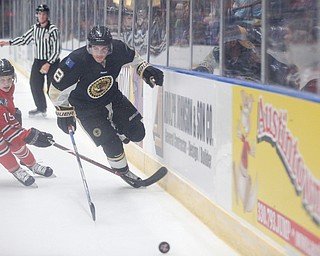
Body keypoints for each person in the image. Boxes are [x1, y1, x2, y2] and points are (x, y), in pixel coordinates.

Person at [49, 26, 163, 186]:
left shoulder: (118, 49)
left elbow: (133, 57)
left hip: (112, 99)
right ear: (89, 46)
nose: (99, 53)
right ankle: (125, 172)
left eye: (104, 49)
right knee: (112, 143)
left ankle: (116, 127)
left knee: (138, 133)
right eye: (95, 48)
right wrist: (63, 112)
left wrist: (144, 68)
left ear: (110, 47)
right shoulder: (75, 61)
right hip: (87, 109)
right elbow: (55, 89)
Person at [0, 58, 54, 187]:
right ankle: (16, 170)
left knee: (17, 142)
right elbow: (6, 128)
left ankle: (32, 164)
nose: (6, 83)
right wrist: (30, 136)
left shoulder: (8, 88)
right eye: (2, 80)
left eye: (9, 78)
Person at [0, 4, 61, 117]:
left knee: (52, 88)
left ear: (47, 15)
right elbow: (24, 39)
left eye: (44, 14)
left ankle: (61, 110)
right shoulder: (35, 28)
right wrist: (8, 43)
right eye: (40, 14)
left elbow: (57, 49)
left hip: (52, 62)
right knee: (34, 84)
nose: (42, 16)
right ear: (36, 15)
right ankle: (41, 108)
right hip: (38, 61)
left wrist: (49, 63)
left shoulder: (53, 30)